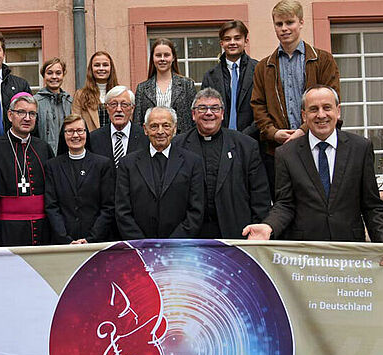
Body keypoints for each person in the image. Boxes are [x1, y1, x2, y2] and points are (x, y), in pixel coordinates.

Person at [243, 85, 383, 266]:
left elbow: (372, 205)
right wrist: (269, 227)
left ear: (338, 111)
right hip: (305, 256)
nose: (321, 115)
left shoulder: (360, 148)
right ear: (303, 115)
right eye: (313, 109)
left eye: (327, 107)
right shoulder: (286, 153)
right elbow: (284, 204)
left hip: (350, 252)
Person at [251, 0, 340, 198]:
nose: (284, 29)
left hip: (317, 144)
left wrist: (302, 131)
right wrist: (274, 133)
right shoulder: (263, 67)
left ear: (301, 22)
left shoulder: (323, 60)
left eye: (289, 22)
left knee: (320, 200)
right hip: (278, 150)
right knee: (285, 204)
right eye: (279, 24)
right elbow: (258, 105)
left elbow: (332, 101)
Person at [175, 88, 270, 239]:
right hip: (191, 237)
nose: (209, 113)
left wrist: (257, 229)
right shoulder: (177, 146)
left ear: (222, 114)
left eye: (215, 108)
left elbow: (260, 195)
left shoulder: (246, 146)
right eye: (202, 108)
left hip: (236, 233)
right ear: (193, 114)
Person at [116, 106, 204, 239]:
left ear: (174, 129)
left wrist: (172, 244)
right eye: (154, 126)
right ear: (145, 129)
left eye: (166, 126)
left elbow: (196, 211)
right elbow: (122, 211)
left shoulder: (192, 162)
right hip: (139, 248)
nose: (160, 131)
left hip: (179, 248)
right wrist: (143, 244)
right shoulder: (127, 164)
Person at [0, 93, 54, 246]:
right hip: (6, 228)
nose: (27, 118)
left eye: (32, 114)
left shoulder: (43, 147)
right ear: (10, 115)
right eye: (21, 112)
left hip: (42, 226)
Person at [45, 114, 115, 244]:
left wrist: (91, 239)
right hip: (63, 242)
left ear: (86, 133)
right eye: (70, 131)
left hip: (96, 242)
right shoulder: (52, 166)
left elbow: (108, 206)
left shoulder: (102, 164)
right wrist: (65, 239)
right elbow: (51, 207)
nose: (75, 135)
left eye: (79, 131)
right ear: (63, 135)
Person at [201, 20, 258, 138]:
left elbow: (263, 109)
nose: (232, 43)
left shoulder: (258, 71)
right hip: (219, 140)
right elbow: (205, 111)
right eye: (227, 39)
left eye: (237, 38)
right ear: (221, 43)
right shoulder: (210, 76)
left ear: (245, 41)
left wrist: (244, 136)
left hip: (253, 140)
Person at [133, 38, 196, 135]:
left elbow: (194, 120)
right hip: (152, 144)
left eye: (166, 55)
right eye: (158, 55)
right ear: (153, 58)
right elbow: (137, 123)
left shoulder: (187, 85)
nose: (162, 59)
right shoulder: (142, 88)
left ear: (173, 57)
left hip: (182, 144)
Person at [90, 85, 148, 168]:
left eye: (124, 104)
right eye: (113, 104)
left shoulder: (145, 137)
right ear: (107, 108)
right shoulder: (94, 138)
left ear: (132, 109)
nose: (119, 109)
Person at [72, 51, 118, 132]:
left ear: (111, 68)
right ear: (91, 69)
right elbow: (75, 124)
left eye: (105, 65)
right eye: (97, 65)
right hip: (90, 142)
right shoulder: (80, 95)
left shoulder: (120, 93)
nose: (101, 68)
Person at [34, 58, 73, 154]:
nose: (54, 77)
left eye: (58, 73)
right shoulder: (35, 102)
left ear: (63, 75)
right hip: (43, 155)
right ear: (43, 75)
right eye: (49, 73)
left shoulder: (70, 101)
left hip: (67, 156)